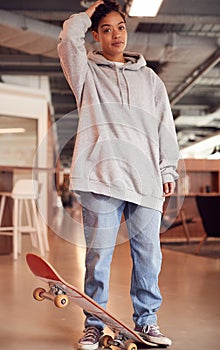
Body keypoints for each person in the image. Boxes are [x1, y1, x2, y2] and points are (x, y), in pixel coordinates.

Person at [57, 0, 179, 348]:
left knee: (148, 256)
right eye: (106, 29)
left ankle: (147, 322)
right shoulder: (86, 74)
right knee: (98, 258)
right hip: (100, 176)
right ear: (95, 35)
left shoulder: (150, 80)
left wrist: (167, 168)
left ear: (127, 29)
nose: (115, 35)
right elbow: (67, 42)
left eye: (120, 27)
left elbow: (164, 128)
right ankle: (94, 323)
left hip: (145, 180)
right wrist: (87, 12)